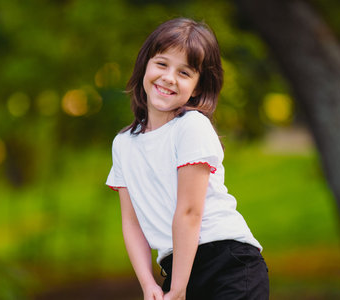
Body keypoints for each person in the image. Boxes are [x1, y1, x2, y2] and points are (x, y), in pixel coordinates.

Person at [106, 17, 269, 300]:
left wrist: (179, 287)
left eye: (184, 73)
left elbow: (189, 212)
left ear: (196, 87)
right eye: (161, 64)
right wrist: (149, 285)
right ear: (145, 65)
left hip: (227, 263)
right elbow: (132, 224)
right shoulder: (123, 144)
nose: (169, 77)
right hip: (177, 266)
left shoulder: (190, 126)